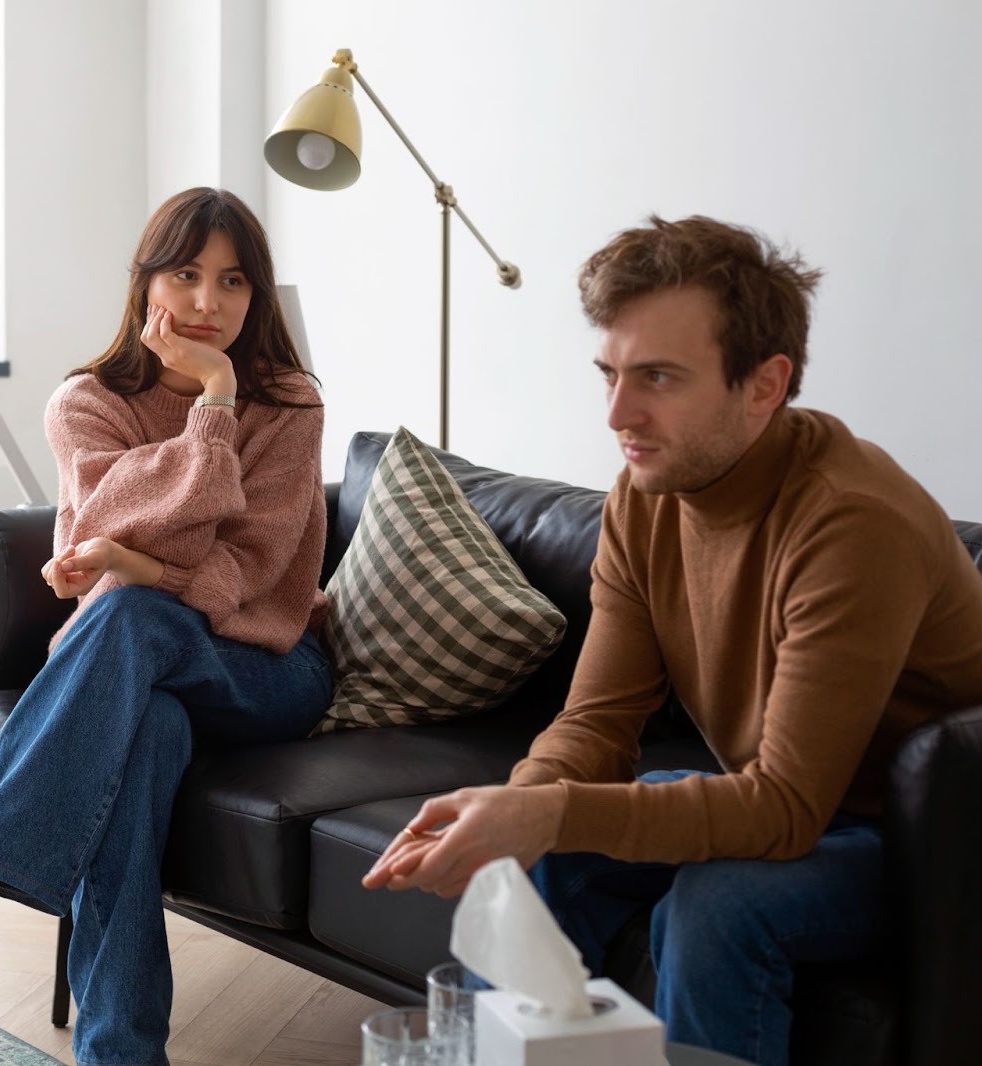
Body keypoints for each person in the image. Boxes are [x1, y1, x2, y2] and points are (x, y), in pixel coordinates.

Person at [362, 215, 982, 1065]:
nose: (619, 413)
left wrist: (549, 810)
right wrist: (519, 806)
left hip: (929, 844)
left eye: (657, 377)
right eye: (609, 374)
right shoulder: (645, 497)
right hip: (794, 800)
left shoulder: (852, 523)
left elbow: (785, 809)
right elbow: (595, 724)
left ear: (765, 385)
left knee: (717, 906)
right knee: (540, 863)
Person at [0, 187, 332, 1065]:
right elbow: (118, 529)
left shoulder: (287, 404)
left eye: (234, 281)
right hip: (146, 665)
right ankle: (120, 1053)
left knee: (132, 608)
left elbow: (256, 567)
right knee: (146, 729)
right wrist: (200, 445)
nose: (208, 304)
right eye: (187, 274)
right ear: (145, 284)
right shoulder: (86, 403)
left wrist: (217, 402)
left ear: (259, 295)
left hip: (268, 670)